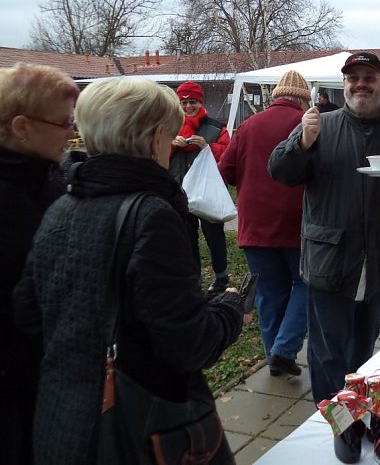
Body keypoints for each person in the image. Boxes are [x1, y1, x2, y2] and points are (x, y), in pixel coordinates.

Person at [13, 77, 248, 464]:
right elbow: (189, 343)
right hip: (135, 431)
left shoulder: (61, 205)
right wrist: (229, 309)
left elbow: (29, 314)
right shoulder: (151, 215)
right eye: (170, 135)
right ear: (156, 138)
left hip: (61, 420)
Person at [268, 51, 380, 403]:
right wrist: (302, 144)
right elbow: (279, 172)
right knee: (328, 354)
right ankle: (330, 419)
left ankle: (360, 411)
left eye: (368, 78)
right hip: (329, 262)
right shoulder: (319, 126)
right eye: (353, 79)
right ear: (345, 85)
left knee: (364, 349)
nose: (360, 84)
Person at [0, 63, 79, 465]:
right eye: (63, 123)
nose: (70, 133)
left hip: (49, 375)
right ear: (21, 127)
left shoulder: (48, 179)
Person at [219, 70, 310, 378]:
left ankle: (275, 357)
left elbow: (226, 172)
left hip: (254, 224)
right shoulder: (307, 125)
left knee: (269, 293)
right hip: (297, 222)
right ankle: (285, 349)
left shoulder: (248, 125)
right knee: (307, 284)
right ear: (303, 100)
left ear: (275, 96)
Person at [169, 81, 232, 296]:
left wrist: (208, 147)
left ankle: (221, 276)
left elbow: (228, 154)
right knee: (186, 237)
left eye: (192, 102)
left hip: (207, 191)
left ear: (200, 102)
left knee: (214, 235)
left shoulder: (216, 128)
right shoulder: (170, 127)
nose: (188, 107)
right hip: (180, 191)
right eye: (184, 103)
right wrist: (171, 145)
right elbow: (156, 152)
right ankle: (193, 279)